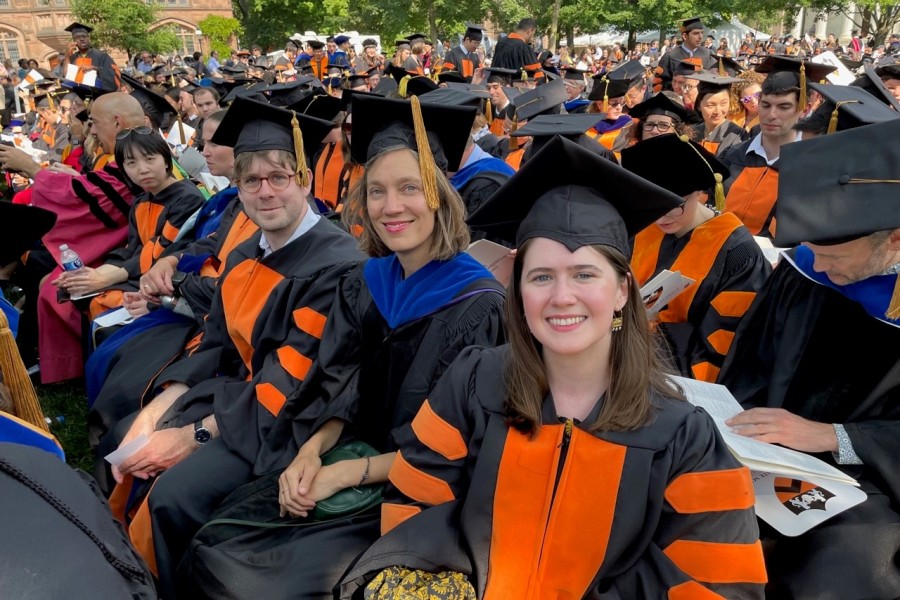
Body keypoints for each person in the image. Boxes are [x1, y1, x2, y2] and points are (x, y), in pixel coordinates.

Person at [338, 135, 766, 599]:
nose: (561, 296)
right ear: (518, 290)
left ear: (623, 290)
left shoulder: (683, 437)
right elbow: (413, 504)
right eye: (541, 276)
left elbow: (718, 584)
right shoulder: (471, 384)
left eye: (585, 274)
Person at [179, 92, 508, 598]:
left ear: (442, 194)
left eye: (409, 188)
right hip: (348, 459)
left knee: (246, 575)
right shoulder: (365, 282)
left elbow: (459, 451)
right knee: (216, 538)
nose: (390, 206)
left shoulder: (480, 308)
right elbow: (339, 382)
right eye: (376, 191)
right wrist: (310, 450)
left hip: (419, 494)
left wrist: (346, 474)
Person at [108, 97, 361, 597]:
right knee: (127, 433)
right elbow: (217, 343)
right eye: (251, 181)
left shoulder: (336, 266)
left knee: (176, 494)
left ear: (304, 181)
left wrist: (192, 436)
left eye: (279, 178)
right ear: (237, 187)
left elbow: (292, 381)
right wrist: (160, 408)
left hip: (287, 419)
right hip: (238, 395)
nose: (265, 192)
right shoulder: (247, 252)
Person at [717, 119, 900, 600]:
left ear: (896, 239)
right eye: (811, 250)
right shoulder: (806, 269)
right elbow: (752, 364)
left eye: (829, 255)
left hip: (874, 474)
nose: (816, 265)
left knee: (844, 562)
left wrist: (831, 437)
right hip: (772, 447)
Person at [0, 92, 145, 383]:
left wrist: (30, 167)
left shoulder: (137, 155)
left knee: (50, 281)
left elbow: (96, 199)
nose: (90, 129)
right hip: (125, 249)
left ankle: (56, 363)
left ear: (117, 123)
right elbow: (100, 189)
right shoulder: (133, 150)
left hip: (133, 257)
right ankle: (43, 360)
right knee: (46, 277)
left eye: (94, 123)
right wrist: (72, 177)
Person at [621, 133, 771, 382]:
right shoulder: (641, 228)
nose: (662, 218)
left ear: (698, 194)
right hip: (625, 350)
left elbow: (727, 341)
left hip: (680, 372)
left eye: (676, 206)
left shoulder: (738, 253)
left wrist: (654, 332)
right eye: (654, 206)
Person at [721, 57, 835, 239]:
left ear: (804, 110)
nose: (771, 115)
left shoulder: (812, 168)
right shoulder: (733, 155)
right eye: (765, 105)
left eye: (784, 107)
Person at [689, 71, 748, 156]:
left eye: (723, 104)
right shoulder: (691, 132)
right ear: (698, 106)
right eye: (710, 105)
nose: (717, 111)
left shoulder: (737, 135)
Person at [655, 17, 715, 91]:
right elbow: (660, 82)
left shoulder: (708, 54)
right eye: (696, 33)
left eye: (701, 33)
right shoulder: (671, 56)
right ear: (685, 36)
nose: (700, 37)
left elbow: (714, 79)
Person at [60, 22, 121, 92]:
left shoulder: (101, 56)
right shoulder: (73, 57)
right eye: (77, 37)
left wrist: (94, 68)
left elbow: (115, 73)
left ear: (89, 38)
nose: (81, 39)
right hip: (78, 92)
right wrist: (67, 55)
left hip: (99, 92)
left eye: (84, 36)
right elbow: (67, 75)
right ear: (74, 41)